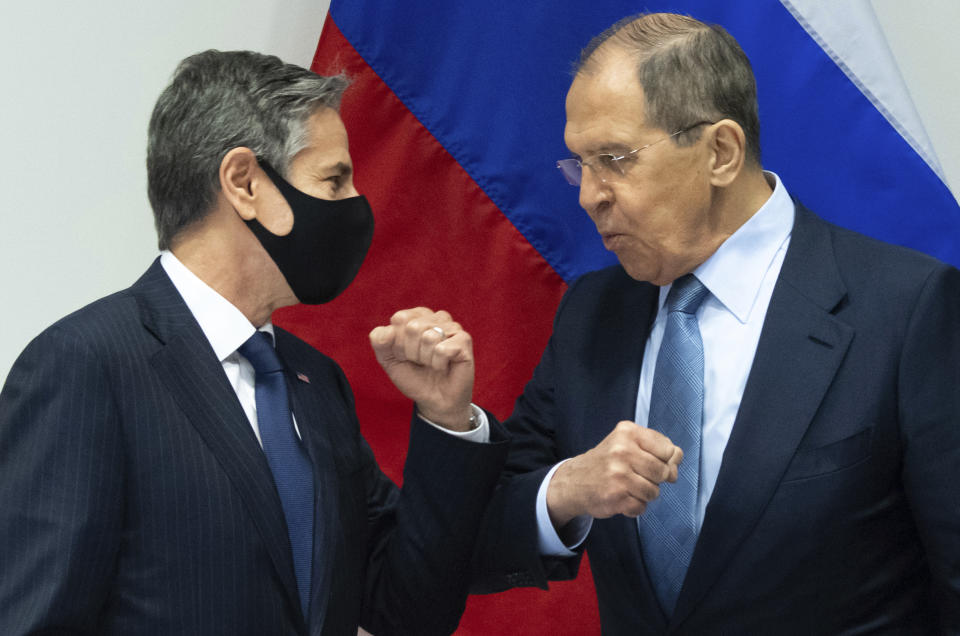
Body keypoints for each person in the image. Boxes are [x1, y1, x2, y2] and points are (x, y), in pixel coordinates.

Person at [469, 12, 960, 634]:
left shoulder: (907, 308)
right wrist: (567, 487)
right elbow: (478, 542)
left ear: (721, 153)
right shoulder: (592, 315)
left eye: (614, 159)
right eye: (580, 165)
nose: (588, 194)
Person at [0, 50, 508, 635]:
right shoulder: (89, 364)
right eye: (335, 178)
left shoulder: (315, 381)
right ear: (244, 183)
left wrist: (446, 418)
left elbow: (407, 610)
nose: (355, 204)